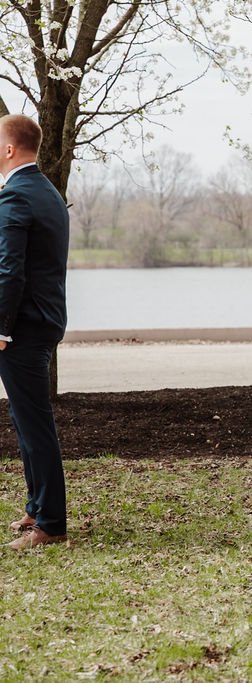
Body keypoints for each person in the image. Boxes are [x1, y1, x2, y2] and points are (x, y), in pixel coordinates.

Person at [0, 114, 70, 550]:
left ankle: (51, 523)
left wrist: (0, 327)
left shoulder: (16, 197)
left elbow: (9, 271)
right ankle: (35, 506)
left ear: (9, 149)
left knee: (33, 422)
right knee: (24, 419)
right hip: (44, 320)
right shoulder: (48, 192)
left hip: (23, 326)